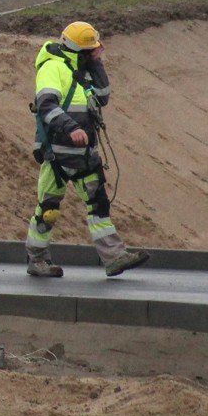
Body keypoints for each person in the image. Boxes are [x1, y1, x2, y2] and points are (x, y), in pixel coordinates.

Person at [25, 21, 149, 278]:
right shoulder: (53, 68)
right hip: (57, 152)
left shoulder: (80, 68)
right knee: (48, 209)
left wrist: (96, 63)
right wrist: (71, 128)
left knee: (98, 204)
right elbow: (47, 106)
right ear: (78, 50)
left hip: (83, 153)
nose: (94, 52)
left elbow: (102, 95)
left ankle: (114, 257)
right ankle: (37, 260)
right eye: (90, 50)